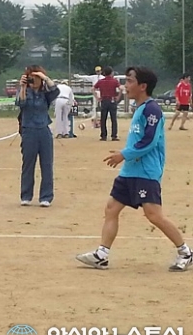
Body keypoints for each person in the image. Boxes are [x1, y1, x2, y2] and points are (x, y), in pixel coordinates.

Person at [76, 67, 192, 272]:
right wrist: (126, 156)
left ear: (143, 86)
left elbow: (149, 141)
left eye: (130, 81)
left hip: (146, 172)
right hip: (130, 171)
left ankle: (185, 252)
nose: (125, 85)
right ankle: (102, 255)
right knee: (111, 208)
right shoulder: (140, 109)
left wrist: (124, 154)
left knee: (153, 215)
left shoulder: (152, 110)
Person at [16, 65, 60, 207]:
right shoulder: (24, 91)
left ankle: (46, 196)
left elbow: (56, 91)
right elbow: (21, 103)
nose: (33, 81)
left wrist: (45, 78)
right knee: (28, 164)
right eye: (31, 78)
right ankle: (26, 195)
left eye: (36, 78)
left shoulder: (45, 94)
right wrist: (23, 87)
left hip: (44, 130)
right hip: (29, 130)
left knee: (47, 164)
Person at [92, 66, 121, 141]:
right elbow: (121, 88)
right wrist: (118, 96)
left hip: (104, 100)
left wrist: (97, 97)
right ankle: (114, 135)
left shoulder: (101, 81)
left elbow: (93, 89)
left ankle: (103, 135)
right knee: (113, 119)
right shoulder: (114, 81)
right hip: (112, 100)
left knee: (103, 118)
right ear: (111, 73)